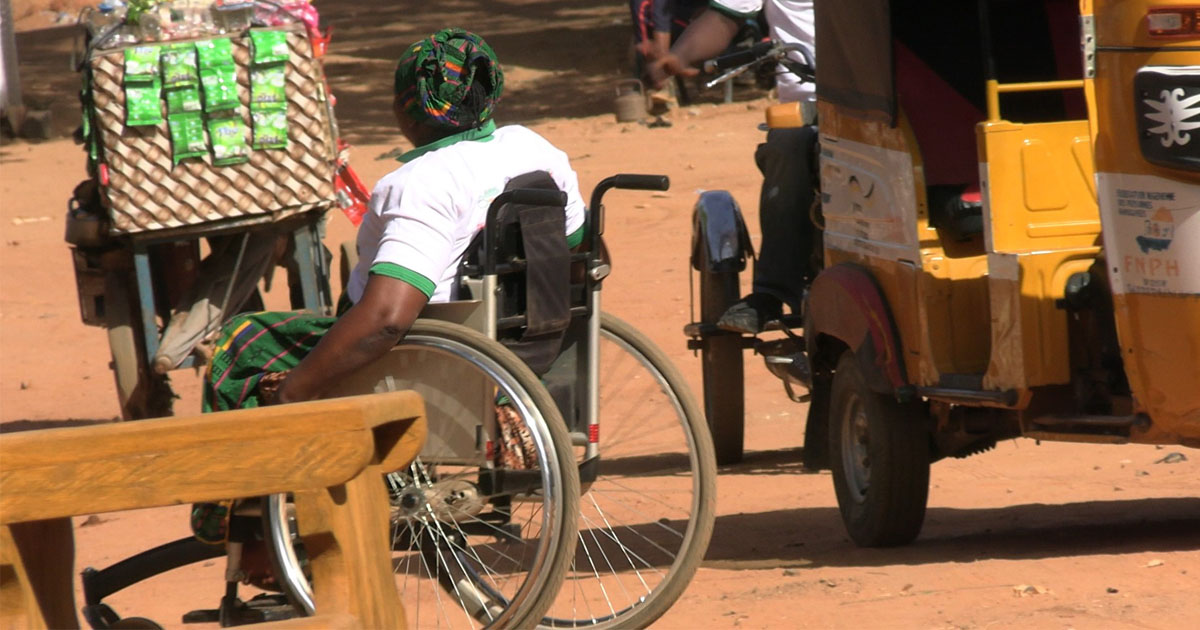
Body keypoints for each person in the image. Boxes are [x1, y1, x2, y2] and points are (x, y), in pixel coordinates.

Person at [191, 27, 586, 546]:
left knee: (241, 345)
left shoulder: (421, 183)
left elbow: (386, 320)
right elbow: (574, 253)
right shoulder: (535, 152)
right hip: (524, 340)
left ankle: (244, 536)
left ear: (407, 110)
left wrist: (297, 389)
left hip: (433, 357)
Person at [648, 1, 817, 334]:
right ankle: (772, 292)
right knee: (790, 146)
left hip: (891, 99)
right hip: (808, 103)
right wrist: (680, 55)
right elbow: (726, 16)